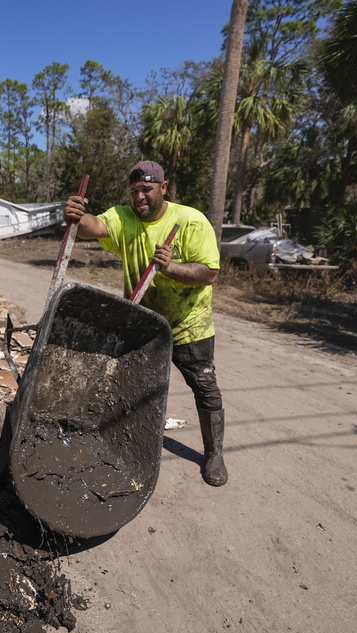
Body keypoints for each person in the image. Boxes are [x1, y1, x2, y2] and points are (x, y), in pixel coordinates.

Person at [63, 160, 227, 486]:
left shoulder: (191, 221)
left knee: (205, 388)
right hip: (145, 323)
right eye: (135, 190)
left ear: (163, 188)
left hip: (188, 325)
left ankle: (214, 454)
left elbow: (209, 273)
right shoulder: (125, 218)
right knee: (135, 389)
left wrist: (173, 269)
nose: (140, 197)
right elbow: (94, 227)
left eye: (147, 189)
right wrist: (77, 217)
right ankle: (130, 449)